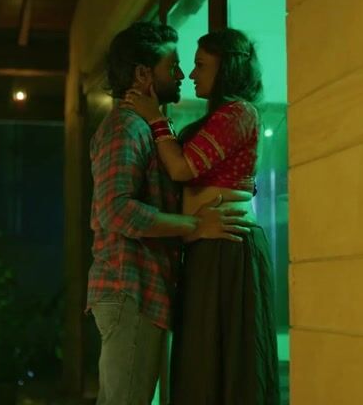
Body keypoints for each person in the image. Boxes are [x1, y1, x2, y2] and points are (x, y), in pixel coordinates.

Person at [87, 22, 254, 405]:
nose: (181, 74)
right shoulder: (126, 128)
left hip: (140, 289)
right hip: (129, 287)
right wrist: (195, 225)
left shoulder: (144, 126)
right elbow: (116, 210)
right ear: (143, 74)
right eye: (173, 65)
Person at [123, 27, 280, 405]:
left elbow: (182, 169)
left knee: (225, 361)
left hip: (227, 246)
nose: (192, 74)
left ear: (226, 68)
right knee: (203, 359)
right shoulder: (223, 116)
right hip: (209, 243)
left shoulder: (239, 112)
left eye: (200, 65)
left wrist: (154, 118)